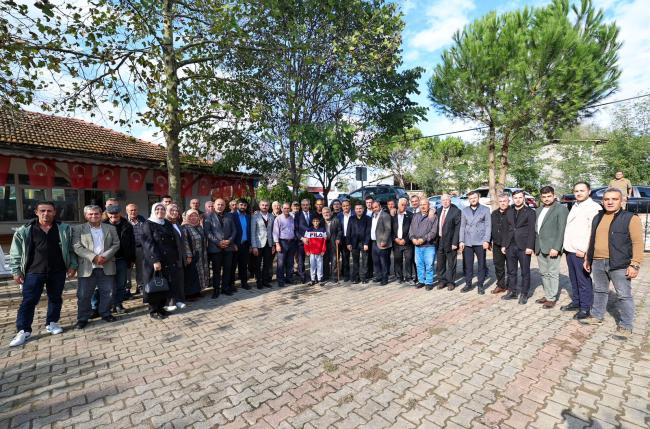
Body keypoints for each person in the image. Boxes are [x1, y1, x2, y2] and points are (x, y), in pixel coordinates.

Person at [8, 201, 78, 347]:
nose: (46, 213)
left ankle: (52, 323)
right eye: (43, 211)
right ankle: (23, 330)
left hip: (57, 271)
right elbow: (16, 252)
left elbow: (71, 250)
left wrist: (72, 265)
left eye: (49, 211)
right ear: (36, 212)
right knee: (29, 301)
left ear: (54, 212)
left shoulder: (63, 229)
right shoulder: (25, 230)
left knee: (55, 298)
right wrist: (16, 271)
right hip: (33, 272)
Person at [581, 188, 644, 338]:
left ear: (621, 201)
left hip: (619, 263)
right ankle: (597, 315)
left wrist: (635, 264)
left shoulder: (630, 218)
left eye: (614, 199)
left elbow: (638, 243)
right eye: (606, 199)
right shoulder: (598, 217)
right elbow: (592, 238)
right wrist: (588, 258)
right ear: (602, 201)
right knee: (600, 290)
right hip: (597, 261)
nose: (610, 202)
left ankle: (626, 325)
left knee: (624, 295)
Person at [72, 205, 120, 329]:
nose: (94, 216)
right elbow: (76, 246)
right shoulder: (78, 229)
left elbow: (116, 244)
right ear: (85, 216)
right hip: (87, 267)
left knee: (108, 292)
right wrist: (93, 257)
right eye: (90, 214)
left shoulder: (110, 228)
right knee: (83, 295)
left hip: (106, 264)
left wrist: (104, 256)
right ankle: (82, 318)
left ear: (101, 214)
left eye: (96, 214)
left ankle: (105, 313)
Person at [562, 182, 602, 319]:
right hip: (570, 249)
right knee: (573, 279)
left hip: (580, 250)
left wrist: (584, 250)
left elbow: (593, 231)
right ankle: (576, 302)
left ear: (589, 191)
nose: (578, 193)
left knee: (583, 280)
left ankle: (585, 307)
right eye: (576, 191)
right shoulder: (575, 205)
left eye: (582, 190)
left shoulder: (594, 207)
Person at [141, 203, 178, 319]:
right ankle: (153, 310)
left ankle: (161, 308)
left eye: (162, 209)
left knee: (164, 284)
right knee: (154, 285)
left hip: (168, 260)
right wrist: (155, 260)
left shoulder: (166, 223)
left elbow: (172, 241)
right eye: (157, 209)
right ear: (153, 210)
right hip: (154, 260)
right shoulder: (147, 224)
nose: (160, 211)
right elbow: (148, 244)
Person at [534, 186, 568, 308]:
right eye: (544, 197)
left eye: (549, 196)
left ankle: (552, 298)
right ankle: (548, 294)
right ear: (541, 197)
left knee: (552, 273)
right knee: (544, 273)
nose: (546, 199)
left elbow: (562, 230)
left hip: (552, 248)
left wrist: (557, 247)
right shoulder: (538, 210)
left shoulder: (561, 209)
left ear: (554, 196)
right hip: (540, 246)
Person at [502, 190, 536, 303]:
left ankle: (524, 294)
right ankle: (512, 291)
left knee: (525, 271)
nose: (518, 200)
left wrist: (530, 246)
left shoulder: (530, 212)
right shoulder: (509, 211)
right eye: (515, 198)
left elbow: (532, 230)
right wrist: (504, 245)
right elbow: (505, 229)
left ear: (524, 198)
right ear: (512, 199)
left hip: (524, 246)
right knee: (511, 271)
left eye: (520, 197)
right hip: (510, 245)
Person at [103, 205, 135, 313]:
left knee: (121, 284)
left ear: (120, 214)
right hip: (108, 260)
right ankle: (109, 305)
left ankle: (118, 304)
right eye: (111, 215)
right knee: (109, 285)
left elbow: (132, 243)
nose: (113, 217)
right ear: (108, 214)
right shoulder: (103, 225)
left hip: (122, 259)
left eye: (116, 215)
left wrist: (132, 258)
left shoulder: (127, 225)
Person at [459, 191, 491, 293]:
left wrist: (486, 240)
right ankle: (468, 284)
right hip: (467, 241)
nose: (473, 200)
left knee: (481, 264)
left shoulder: (485, 209)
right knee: (468, 265)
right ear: (469, 199)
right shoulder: (464, 210)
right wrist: (461, 240)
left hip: (480, 241)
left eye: (475, 197)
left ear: (478, 198)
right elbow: (462, 226)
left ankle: (480, 285)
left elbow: (488, 226)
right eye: (471, 198)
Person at [204, 198, 237, 297]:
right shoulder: (208, 216)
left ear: (225, 206)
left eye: (222, 205)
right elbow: (207, 232)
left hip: (228, 247)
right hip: (215, 248)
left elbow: (234, 231)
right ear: (214, 205)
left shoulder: (229, 216)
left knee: (227, 269)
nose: (220, 206)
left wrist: (229, 241)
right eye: (218, 204)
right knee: (216, 270)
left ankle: (225, 288)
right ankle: (216, 290)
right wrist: (218, 242)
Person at [409, 199, 438, 290]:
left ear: (428, 205)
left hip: (428, 245)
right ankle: (421, 281)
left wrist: (423, 239)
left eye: (424, 204)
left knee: (429, 265)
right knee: (419, 264)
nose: (423, 206)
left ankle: (429, 282)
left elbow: (433, 231)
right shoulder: (416, 216)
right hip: (417, 245)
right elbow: (411, 229)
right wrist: (412, 238)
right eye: (421, 204)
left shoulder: (433, 216)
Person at [181, 209, 209, 301]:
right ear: (187, 217)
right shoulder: (184, 228)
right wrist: (189, 255)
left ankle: (198, 291)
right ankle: (190, 294)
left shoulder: (199, 227)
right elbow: (185, 243)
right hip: (192, 256)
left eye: (195, 215)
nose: (193, 218)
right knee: (192, 275)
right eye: (191, 216)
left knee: (200, 273)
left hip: (201, 255)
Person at [436, 194, 461, 291]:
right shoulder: (438, 211)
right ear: (441, 201)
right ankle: (442, 281)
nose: (445, 202)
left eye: (447, 200)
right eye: (443, 200)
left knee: (451, 263)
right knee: (440, 263)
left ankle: (451, 282)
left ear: (450, 201)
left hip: (450, 242)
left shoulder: (456, 211)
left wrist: (455, 242)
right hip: (439, 241)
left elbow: (458, 228)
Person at [164, 203, 186, 310]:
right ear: (166, 211)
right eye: (171, 210)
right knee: (171, 280)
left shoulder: (177, 223)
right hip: (170, 258)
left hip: (180, 257)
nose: (174, 212)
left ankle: (179, 300)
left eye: (176, 210)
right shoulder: (164, 224)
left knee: (179, 280)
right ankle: (170, 303)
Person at [251, 200, 275, 289]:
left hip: (269, 244)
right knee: (257, 264)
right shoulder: (255, 216)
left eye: (266, 205)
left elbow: (273, 231)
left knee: (267, 263)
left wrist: (273, 245)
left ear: (269, 206)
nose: (264, 206)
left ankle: (265, 281)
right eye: (263, 205)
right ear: (260, 206)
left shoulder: (272, 216)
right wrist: (254, 246)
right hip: (258, 244)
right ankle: (259, 282)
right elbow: (253, 232)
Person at [490, 194, 511, 294]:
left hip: (509, 244)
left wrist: (506, 244)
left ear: (508, 201)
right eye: (501, 201)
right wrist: (489, 241)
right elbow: (491, 228)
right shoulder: (494, 213)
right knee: (498, 266)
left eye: (504, 201)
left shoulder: (512, 212)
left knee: (511, 266)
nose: (502, 203)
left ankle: (511, 286)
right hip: (497, 244)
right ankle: (501, 285)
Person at [230, 198, 252, 290]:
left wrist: (250, 245)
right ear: (237, 205)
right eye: (241, 205)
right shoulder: (232, 216)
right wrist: (232, 243)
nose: (243, 207)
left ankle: (244, 283)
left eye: (245, 205)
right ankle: (231, 284)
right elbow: (229, 231)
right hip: (235, 245)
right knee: (233, 266)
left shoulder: (248, 217)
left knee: (243, 265)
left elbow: (250, 231)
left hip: (245, 245)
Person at [273, 202, 296, 287]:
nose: (286, 210)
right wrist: (277, 244)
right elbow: (275, 232)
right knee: (281, 263)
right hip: (282, 242)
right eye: (285, 208)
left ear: (290, 209)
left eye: (288, 208)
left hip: (291, 242)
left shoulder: (292, 218)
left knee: (290, 262)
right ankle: (280, 280)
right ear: (282, 209)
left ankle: (289, 278)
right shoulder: (278, 218)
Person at [126, 203, 146, 296]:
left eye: (135, 210)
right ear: (127, 211)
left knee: (140, 269)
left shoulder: (143, 220)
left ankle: (140, 286)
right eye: (131, 210)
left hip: (140, 248)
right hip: (128, 249)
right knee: (128, 269)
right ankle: (127, 288)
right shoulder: (124, 221)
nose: (133, 212)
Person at [370, 201, 392, 285]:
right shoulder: (373, 215)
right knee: (376, 261)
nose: (374, 209)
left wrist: (384, 241)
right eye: (373, 208)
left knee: (383, 262)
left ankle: (385, 279)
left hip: (382, 242)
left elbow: (388, 229)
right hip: (374, 242)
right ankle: (378, 276)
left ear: (379, 206)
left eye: (376, 207)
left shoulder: (385, 215)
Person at [392, 198, 413, 284]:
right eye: (402, 205)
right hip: (396, 242)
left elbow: (412, 229)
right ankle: (399, 277)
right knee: (397, 260)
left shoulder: (410, 215)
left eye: (405, 205)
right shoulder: (393, 215)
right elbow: (390, 229)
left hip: (407, 243)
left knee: (408, 260)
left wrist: (406, 239)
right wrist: (395, 238)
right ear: (398, 205)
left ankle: (408, 277)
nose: (403, 207)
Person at [348, 203, 371, 284]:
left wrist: (366, 243)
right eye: (357, 209)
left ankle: (363, 278)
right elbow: (348, 231)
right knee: (355, 261)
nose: (359, 210)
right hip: (354, 243)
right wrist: (348, 243)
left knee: (365, 261)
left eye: (360, 208)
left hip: (364, 243)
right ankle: (356, 278)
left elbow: (368, 232)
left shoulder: (368, 218)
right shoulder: (351, 218)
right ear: (354, 210)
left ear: (363, 209)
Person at [294, 199, 315, 284]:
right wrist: (302, 238)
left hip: (312, 242)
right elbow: (295, 229)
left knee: (312, 260)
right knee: (301, 260)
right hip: (301, 242)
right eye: (303, 205)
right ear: (301, 206)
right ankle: (302, 277)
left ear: (309, 205)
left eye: (307, 204)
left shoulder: (313, 214)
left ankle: (313, 276)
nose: (305, 206)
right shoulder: (297, 215)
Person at [304, 216, 327, 285]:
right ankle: (313, 280)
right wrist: (307, 250)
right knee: (312, 267)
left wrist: (323, 250)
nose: (316, 222)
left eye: (317, 221)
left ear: (319, 222)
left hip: (319, 252)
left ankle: (320, 279)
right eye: (314, 221)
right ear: (312, 222)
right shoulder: (308, 230)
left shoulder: (322, 230)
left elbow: (324, 242)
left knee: (320, 266)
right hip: (311, 252)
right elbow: (306, 242)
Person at [321, 207, 342, 282]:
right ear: (322, 214)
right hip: (324, 243)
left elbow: (340, 231)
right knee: (325, 260)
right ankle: (326, 275)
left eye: (327, 212)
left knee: (334, 259)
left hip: (334, 242)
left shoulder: (336, 220)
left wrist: (338, 238)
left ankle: (334, 276)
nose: (326, 214)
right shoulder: (321, 222)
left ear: (331, 213)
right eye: (324, 213)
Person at [338, 200, 353, 282]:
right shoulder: (339, 215)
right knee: (345, 257)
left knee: (355, 257)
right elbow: (338, 228)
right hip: (344, 238)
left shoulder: (354, 214)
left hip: (353, 238)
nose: (345, 207)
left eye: (347, 205)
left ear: (350, 206)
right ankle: (346, 275)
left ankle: (356, 274)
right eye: (344, 206)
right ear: (341, 207)